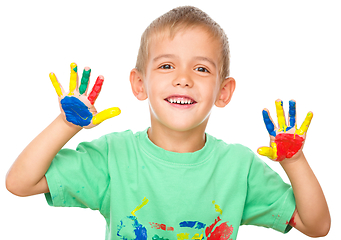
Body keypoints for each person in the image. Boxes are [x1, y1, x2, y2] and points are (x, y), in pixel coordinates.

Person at [6, 6, 330, 240]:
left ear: (223, 91)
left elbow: (316, 226)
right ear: (139, 84)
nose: (183, 79)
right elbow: (20, 183)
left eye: (201, 69)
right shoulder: (114, 157)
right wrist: (66, 125)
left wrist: (294, 160)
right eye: (166, 66)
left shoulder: (238, 167)